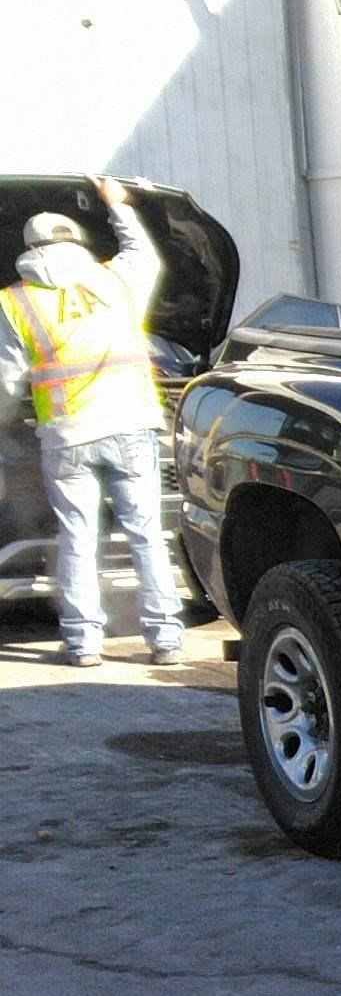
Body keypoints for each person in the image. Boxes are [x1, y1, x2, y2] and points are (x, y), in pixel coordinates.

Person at [0, 178, 184, 668]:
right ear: (77, 243)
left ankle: (83, 644)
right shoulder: (115, 280)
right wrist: (118, 206)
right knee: (146, 532)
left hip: (67, 437)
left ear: (28, 250)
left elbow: (6, 380)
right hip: (130, 427)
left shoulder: (14, 301)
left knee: (78, 537)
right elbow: (142, 252)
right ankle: (164, 638)